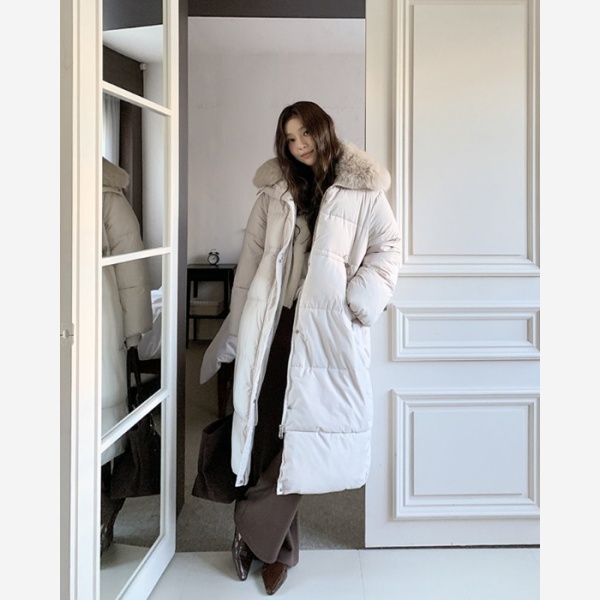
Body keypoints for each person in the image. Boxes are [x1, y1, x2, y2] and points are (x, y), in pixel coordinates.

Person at [199, 101, 401, 595]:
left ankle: (252, 527)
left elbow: (388, 250)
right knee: (270, 426)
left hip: (329, 328)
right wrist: (237, 323)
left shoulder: (364, 190)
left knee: (309, 433)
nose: (299, 145)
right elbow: (251, 259)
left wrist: (355, 300)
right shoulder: (274, 191)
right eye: (290, 138)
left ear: (323, 130)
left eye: (305, 133)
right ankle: (280, 550)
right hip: (278, 322)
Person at [100, 157, 153, 553]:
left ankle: (100, 516)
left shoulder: (108, 197)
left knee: (99, 425)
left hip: (97, 320)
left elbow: (131, 272)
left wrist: (132, 335)